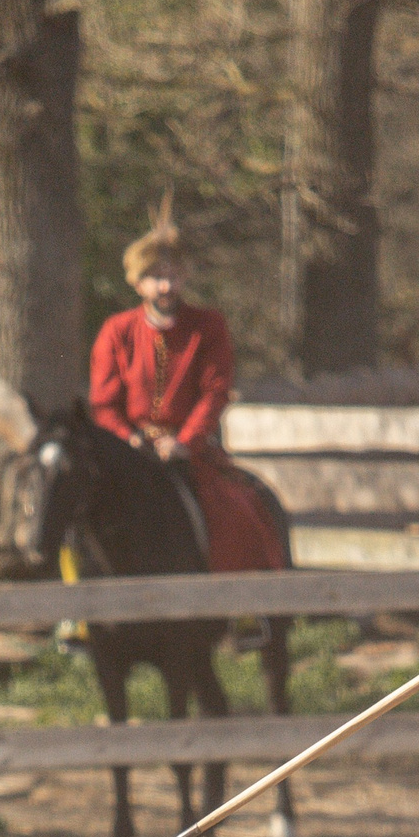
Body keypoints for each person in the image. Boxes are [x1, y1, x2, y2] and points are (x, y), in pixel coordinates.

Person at [87, 200, 288, 577]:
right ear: (138, 281)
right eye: (155, 276)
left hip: (190, 453)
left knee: (233, 509)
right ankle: (77, 618)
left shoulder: (207, 326)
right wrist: (129, 438)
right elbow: (103, 403)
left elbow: (215, 391)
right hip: (129, 452)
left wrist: (184, 441)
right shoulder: (118, 330)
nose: (165, 286)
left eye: (173, 275)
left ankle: (241, 609)